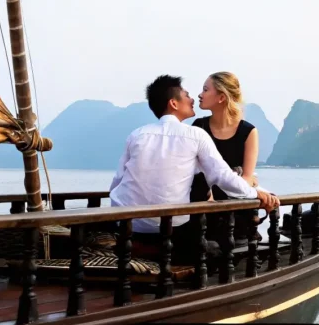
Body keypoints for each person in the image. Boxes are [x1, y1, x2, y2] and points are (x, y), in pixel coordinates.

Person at [109, 74, 279, 261]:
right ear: (174, 103)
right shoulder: (195, 134)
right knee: (212, 251)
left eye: (204, 90)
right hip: (171, 227)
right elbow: (222, 176)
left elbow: (117, 183)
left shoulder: (136, 135)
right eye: (187, 94)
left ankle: (140, 248)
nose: (193, 98)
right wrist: (256, 193)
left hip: (128, 224)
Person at [189, 71, 259, 201]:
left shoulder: (248, 131)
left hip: (235, 206)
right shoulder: (198, 127)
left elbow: (248, 178)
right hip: (204, 203)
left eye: (205, 90)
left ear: (221, 97)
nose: (200, 95)